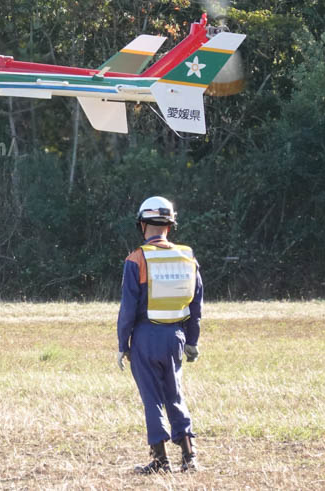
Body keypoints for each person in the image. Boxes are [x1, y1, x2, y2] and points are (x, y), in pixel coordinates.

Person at [117, 196, 203, 474]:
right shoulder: (187, 257)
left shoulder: (136, 259)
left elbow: (128, 309)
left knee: (152, 398)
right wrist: (192, 341)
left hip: (145, 336)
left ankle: (159, 460)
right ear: (170, 225)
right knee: (175, 394)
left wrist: (123, 344)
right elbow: (196, 306)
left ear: (142, 224)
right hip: (176, 337)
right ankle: (190, 457)